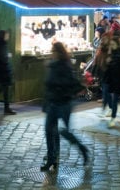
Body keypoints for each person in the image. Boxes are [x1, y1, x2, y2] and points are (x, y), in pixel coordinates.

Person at [41, 41, 89, 172]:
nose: (52, 54)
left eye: (53, 51)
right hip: (52, 103)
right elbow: (48, 86)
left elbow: (68, 83)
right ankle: (52, 158)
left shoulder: (64, 66)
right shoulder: (52, 66)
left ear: (58, 52)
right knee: (49, 131)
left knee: (64, 132)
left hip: (63, 104)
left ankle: (82, 149)